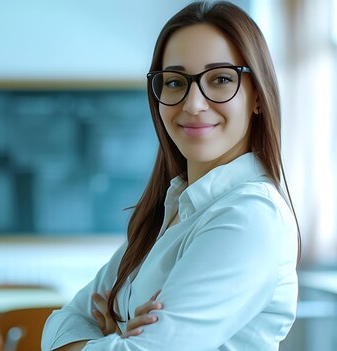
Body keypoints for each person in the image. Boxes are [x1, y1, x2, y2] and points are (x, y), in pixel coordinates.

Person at [41, 1, 300, 350]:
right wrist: (117, 342)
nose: (193, 104)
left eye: (221, 79)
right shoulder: (173, 209)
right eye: (175, 82)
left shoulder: (250, 216)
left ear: (257, 96)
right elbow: (63, 321)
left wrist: (112, 336)